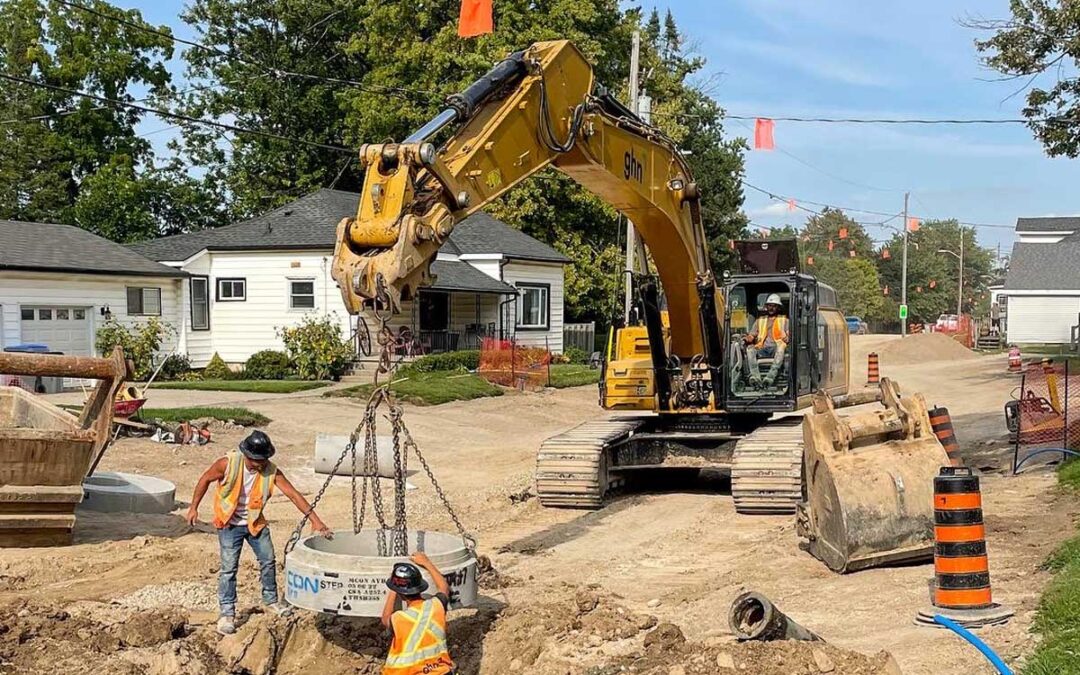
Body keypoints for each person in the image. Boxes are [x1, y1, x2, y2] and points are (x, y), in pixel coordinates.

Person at [186, 430, 333, 636]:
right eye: (257, 460)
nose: (261, 464)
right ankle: (227, 613)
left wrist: (316, 521)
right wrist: (193, 507)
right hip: (229, 524)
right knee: (229, 569)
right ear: (247, 455)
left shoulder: (271, 471)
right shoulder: (227, 464)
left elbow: (293, 495)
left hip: (255, 523)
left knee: (268, 560)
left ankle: (271, 601)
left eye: (264, 459)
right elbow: (205, 479)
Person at [380, 553, 456, 675]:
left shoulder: (399, 619)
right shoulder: (437, 606)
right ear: (420, 586)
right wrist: (426, 563)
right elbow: (444, 588)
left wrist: (394, 588)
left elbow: (385, 618)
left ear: (401, 594)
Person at [744, 293, 790, 388]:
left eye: (774, 306)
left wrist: (787, 337)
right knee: (750, 349)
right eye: (769, 305)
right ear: (766, 306)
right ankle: (755, 377)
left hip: (776, 348)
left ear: (778, 307)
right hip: (762, 348)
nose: (771, 308)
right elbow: (752, 335)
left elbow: (789, 337)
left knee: (781, 348)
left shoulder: (784, 320)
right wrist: (747, 338)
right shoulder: (760, 320)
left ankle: (770, 377)